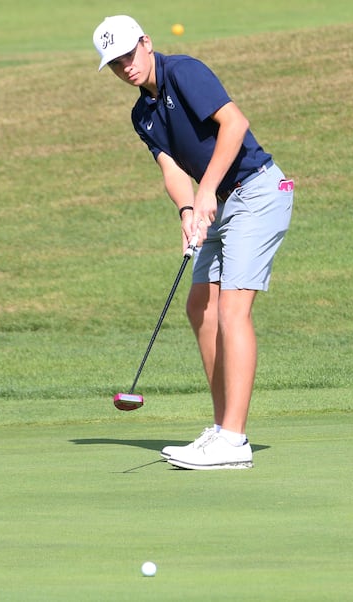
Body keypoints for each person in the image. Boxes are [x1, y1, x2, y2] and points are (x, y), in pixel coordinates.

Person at [93, 15, 294, 470]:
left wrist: (206, 192)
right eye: (115, 62)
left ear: (146, 43)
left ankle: (235, 441)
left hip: (258, 192)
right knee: (200, 307)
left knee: (231, 309)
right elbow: (171, 169)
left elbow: (235, 124)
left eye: (129, 54)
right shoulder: (141, 114)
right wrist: (189, 211)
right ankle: (222, 427)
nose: (125, 66)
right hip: (218, 203)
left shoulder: (184, 71)